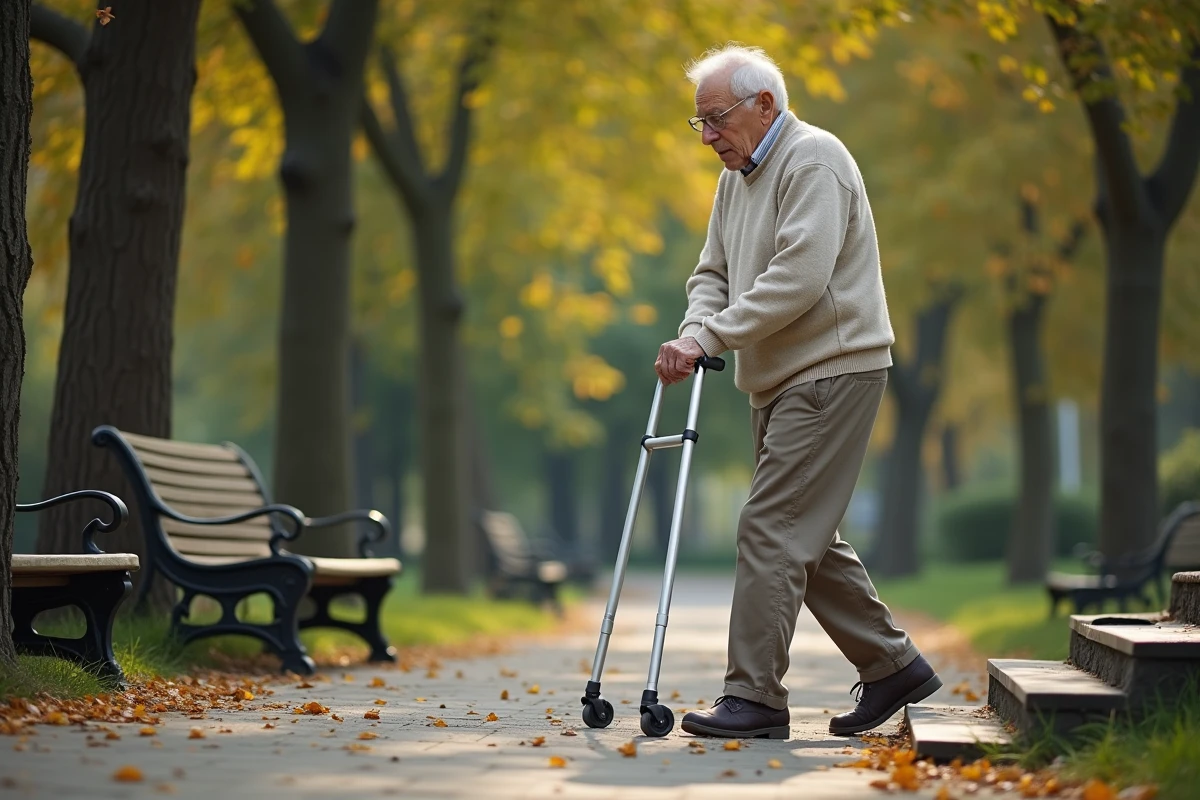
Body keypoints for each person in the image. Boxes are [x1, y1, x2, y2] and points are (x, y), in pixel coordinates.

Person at [656, 44, 942, 740]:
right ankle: (892, 666)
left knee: (771, 528)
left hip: (832, 368)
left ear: (765, 105)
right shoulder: (735, 180)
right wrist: (697, 326)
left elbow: (800, 277)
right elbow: (710, 273)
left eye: (716, 119)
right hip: (778, 380)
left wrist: (711, 338)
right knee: (802, 537)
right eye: (699, 124)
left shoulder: (814, 160)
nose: (708, 137)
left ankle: (753, 697)